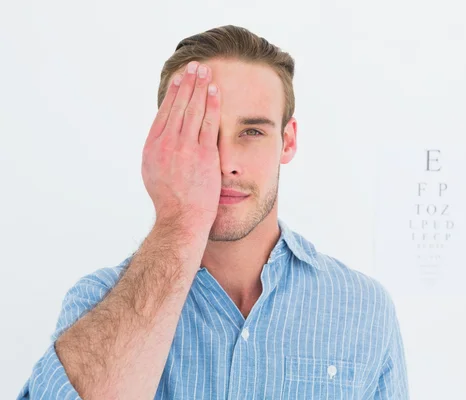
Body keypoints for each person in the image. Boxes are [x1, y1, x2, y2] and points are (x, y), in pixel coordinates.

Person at [17, 25, 409, 399]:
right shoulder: (97, 302)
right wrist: (178, 221)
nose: (226, 163)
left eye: (252, 132)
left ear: (287, 141)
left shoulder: (364, 308)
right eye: (201, 133)